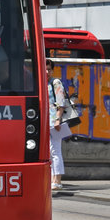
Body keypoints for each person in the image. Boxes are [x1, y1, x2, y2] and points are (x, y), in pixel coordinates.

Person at [47, 59, 70, 192]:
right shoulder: (42, 82)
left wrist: (57, 120)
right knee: (49, 152)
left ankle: (57, 180)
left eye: (49, 69)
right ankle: (52, 179)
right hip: (45, 122)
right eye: (44, 69)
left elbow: (61, 103)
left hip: (53, 121)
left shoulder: (56, 83)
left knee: (55, 151)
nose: (47, 72)